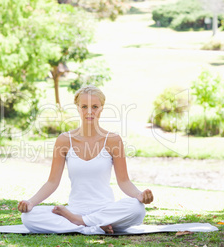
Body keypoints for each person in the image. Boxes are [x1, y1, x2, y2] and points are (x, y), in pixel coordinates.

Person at [18, 84, 154, 234]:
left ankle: (81, 223)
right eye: (84, 106)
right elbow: (52, 182)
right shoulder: (64, 140)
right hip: (75, 209)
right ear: (77, 108)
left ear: (102, 108)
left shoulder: (113, 140)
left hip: (105, 209)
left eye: (95, 106)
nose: (89, 112)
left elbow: (124, 181)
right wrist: (30, 202)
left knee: (137, 209)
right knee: (28, 217)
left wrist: (139, 195)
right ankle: (95, 226)